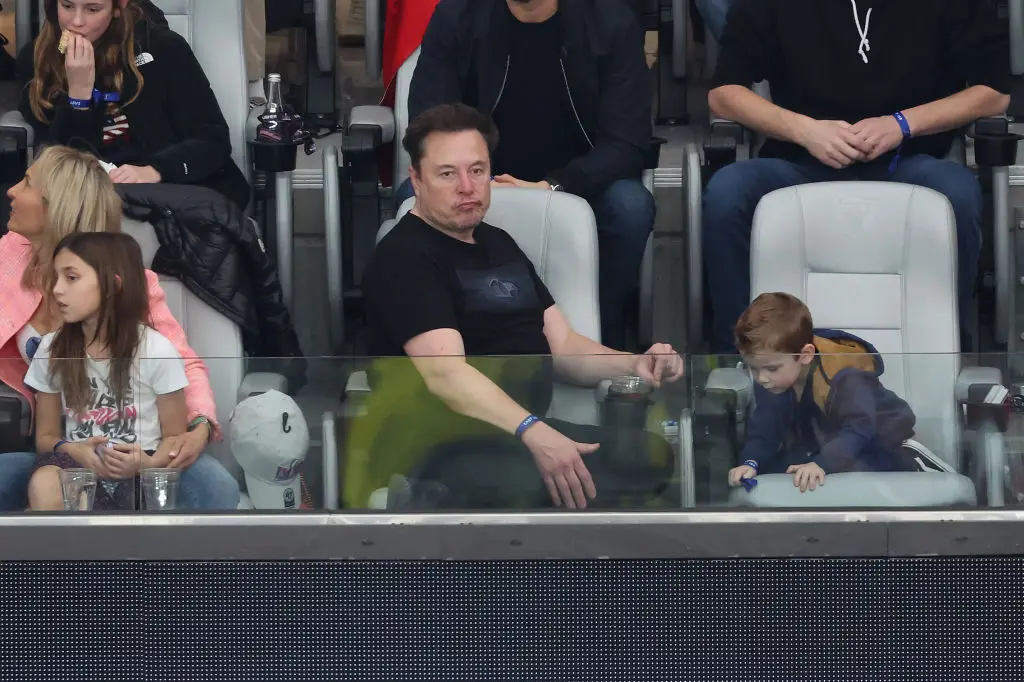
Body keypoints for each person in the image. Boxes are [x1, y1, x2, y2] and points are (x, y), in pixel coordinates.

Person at [353, 103, 684, 510]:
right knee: (610, 481)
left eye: (477, 170)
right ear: (416, 180)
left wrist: (633, 363)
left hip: (514, 435)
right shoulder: (405, 255)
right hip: (438, 444)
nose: (466, 185)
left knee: (651, 456)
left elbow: (563, 347)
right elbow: (446, 375)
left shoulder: (498, 244)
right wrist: (535, 432)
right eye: (447, 173)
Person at [703, 0, 1012, 352]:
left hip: (907, 160)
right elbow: (724, 93)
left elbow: (994, 93)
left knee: (957, 192)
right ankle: (735, 361)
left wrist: (902, 124)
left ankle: (945, 353)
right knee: (728, 192)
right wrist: (805, 131)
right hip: (802, 161)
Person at [402, 0, 655, 349]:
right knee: (411, 199)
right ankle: (446, 339)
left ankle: (600, 336)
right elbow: (429, 121)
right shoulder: (458, 14)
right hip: (478, 175)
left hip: (581, 183)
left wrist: (554, 185)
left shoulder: (610, 20)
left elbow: (627, 141)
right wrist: (476, 178)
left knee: (629, 207)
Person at [0, 145, 238, 511]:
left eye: (27, 184)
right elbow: (47, 439)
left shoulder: (128, 283)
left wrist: (200, 427)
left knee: (214, 487)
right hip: (50, 448)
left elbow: (182, 362)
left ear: (56, 206)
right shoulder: (7, 256)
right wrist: (67, 449)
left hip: (138, 453)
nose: (11, 190)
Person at [16, 0, 250, 210]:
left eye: (93, 9)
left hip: (170, 193)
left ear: (118, 8)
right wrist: (78, 96)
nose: (76, 22)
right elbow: (60, 161)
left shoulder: (162, 48)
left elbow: (213, 141)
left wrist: (154, 170)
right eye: (67, 6)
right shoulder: (39, 60)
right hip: (87, 201)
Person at [25, 232, 190, 510]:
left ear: (113, 286)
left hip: (140, 464)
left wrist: (147, 463)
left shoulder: (157, 349)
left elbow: (175, 437)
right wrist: (73, 450)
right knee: (45, 483)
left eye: (72, 277)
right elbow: (46, 437)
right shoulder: (51, 348)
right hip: (75, 461)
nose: (56, 290)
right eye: (57, 277)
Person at [726, 293, 918, 493]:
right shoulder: (774, 376)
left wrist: (822, 463)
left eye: (771, 369)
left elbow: (860, 430)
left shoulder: (845, 377)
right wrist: (750, 463)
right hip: (822, 443)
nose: (762, 378)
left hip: (878, 446)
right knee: (776, 474)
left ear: (806, 355)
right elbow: (766, 429)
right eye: (754, 369)